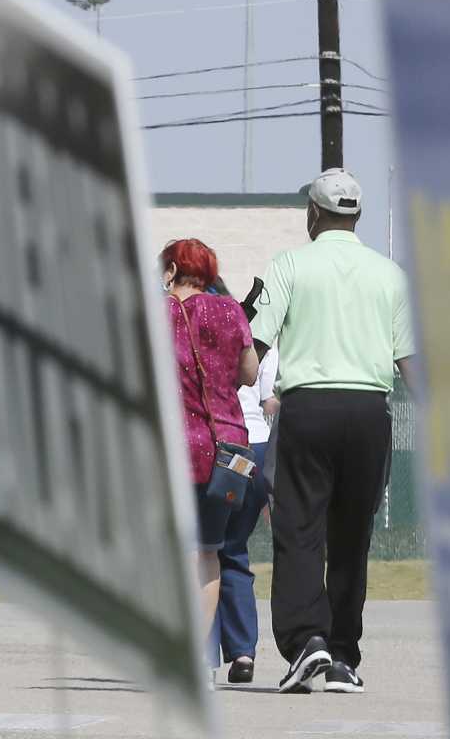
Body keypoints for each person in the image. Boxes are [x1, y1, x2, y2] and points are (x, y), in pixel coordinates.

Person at [250, 168, 419, 695]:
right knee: (352, 536)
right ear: (359, 216)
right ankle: (344, 655)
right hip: (369, 411)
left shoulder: (290, 266)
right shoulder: (389, 274)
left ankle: (307, 642)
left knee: (300, 528)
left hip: (309, 408)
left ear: (313, 214)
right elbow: (410, 359)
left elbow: (251, 352)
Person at [163, 238, 258, 645]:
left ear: (170, 272)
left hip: (175, 448)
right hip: (229, 451)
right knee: (208, 553)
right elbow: (250, 373)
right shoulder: (231, 310)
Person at [211, 335, 279, 685]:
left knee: (205, 551)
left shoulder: (198, 327)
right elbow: (266, 390)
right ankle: (243, 652)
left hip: (223, 447)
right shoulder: (259, 339)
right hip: (257, 448)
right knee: (234, 550)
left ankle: (203, 652)